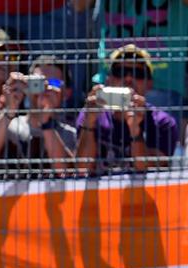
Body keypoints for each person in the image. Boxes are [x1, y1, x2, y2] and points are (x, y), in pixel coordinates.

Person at [76, 44, 178, 175]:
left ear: (149, 83)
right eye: (120, 72)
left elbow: (149, 168)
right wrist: (89, 123)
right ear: (109, 79)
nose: (128, 79)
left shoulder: (163, 122)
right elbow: (82, 168)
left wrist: (135, 130)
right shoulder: (91, 113)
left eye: (138, 73)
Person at [0, 56, 78, 177]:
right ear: (27, 84)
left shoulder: (69, 134)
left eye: (53, 83)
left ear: (66, 93)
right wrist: (10, 109)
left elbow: (68, 173)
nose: (44, 89)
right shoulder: (8, 124)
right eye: (38, 83)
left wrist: (47, 123)